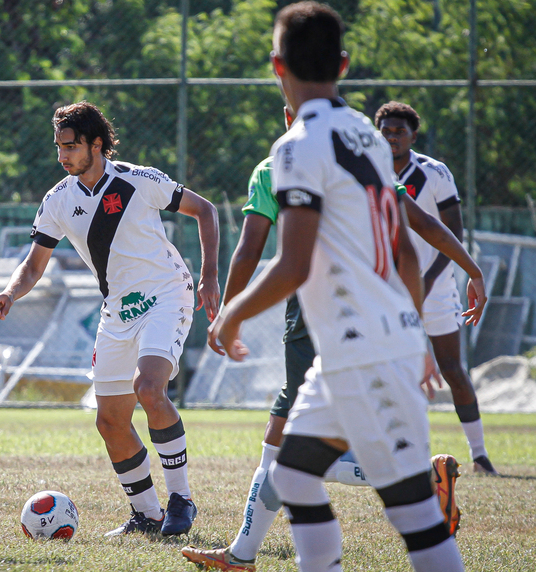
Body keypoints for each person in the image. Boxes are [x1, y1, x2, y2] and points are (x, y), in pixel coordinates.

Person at [212, 3, 466, 571]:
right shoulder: (368, 137)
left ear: (277, 66)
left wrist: (230, 315)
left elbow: (293, 265)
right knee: (291, 477)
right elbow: (404, 250)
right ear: (344, 65)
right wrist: (414, 334)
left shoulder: (295, 146)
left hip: (365, 351)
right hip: (355, 352)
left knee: (415, 515)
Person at [0, 101, 220, 536]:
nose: (63, 155)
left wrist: (210, 276)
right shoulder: (58, 200)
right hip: (117, 310)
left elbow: (205, 210)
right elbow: (34, 265)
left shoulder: (139, 179)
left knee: (149, 388)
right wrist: (10, 292)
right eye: (59, 147)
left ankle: (181, 500)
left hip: (166, 295)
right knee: (109, 420)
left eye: (71, 146)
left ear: (96, 144)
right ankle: (148, 515)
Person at [376, 101, 498, 475]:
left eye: (399, 131)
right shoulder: (370, 169)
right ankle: (397, 452)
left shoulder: (435, 172)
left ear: (413, 135)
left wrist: (428, 280)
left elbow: (451, 231)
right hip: (389, 289)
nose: (392, 137)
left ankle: (480, 454)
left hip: (438, 287)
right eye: (386, 131)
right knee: (389, 371)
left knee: (451, 369)